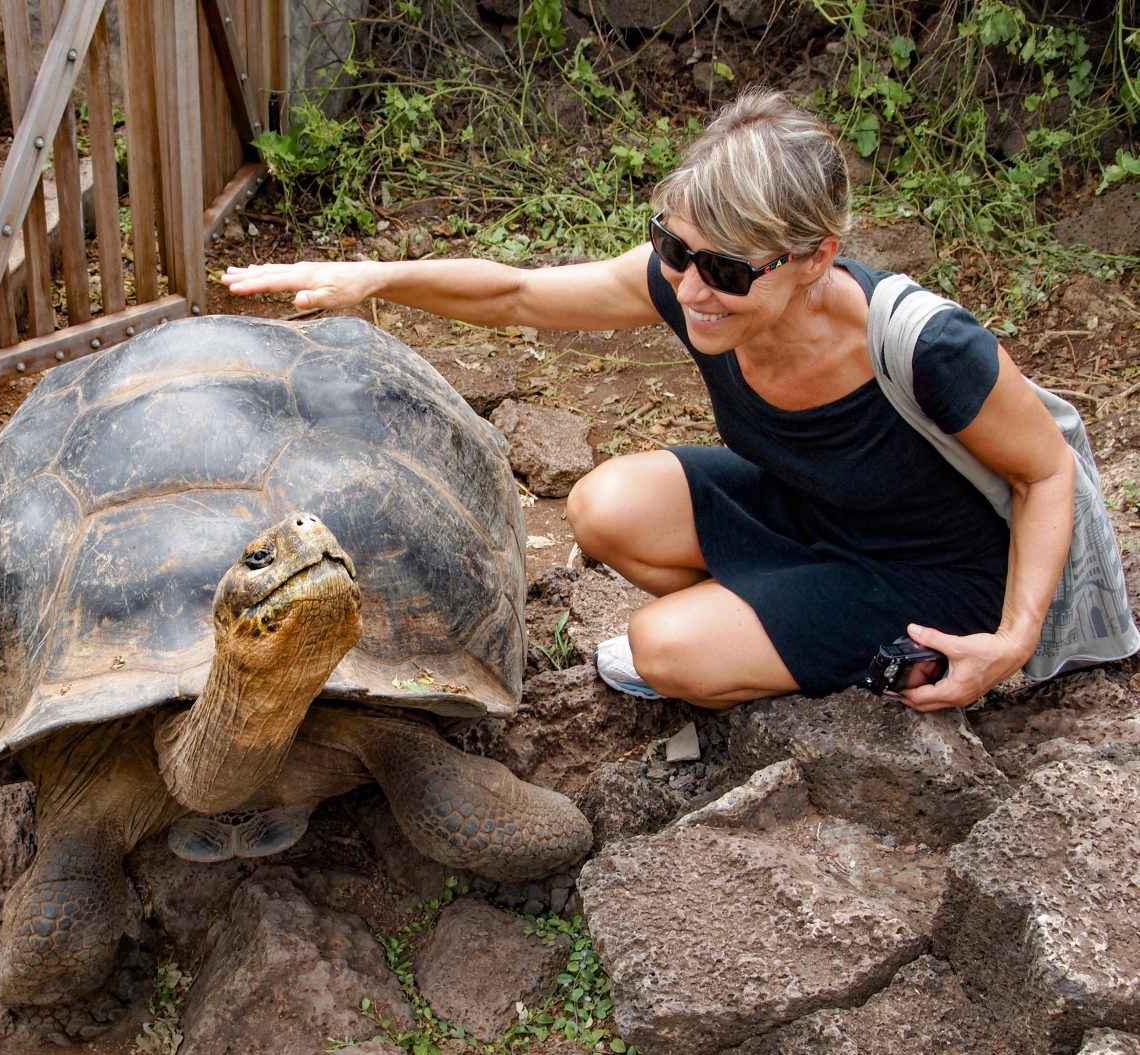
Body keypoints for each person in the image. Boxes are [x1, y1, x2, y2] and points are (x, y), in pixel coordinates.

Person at [223, 88, 1075, 715]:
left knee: (664, 648)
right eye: (674, 247)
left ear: (816, 258)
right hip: (813, 516)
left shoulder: (929, 346)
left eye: (729, 271)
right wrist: (377, 278)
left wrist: (1014, 639)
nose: (693, 288)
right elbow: (520, 294)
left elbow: (1046, 473)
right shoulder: (690, 279)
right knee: (604, 506)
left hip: (935, 575)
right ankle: (775, 620)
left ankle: (860, 655)